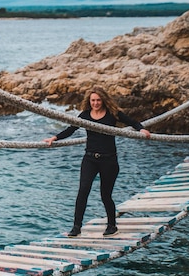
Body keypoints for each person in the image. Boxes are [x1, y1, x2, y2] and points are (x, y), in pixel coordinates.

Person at [43, 86, 150, 238]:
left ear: (103, 100)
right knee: (83, 190)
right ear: (89, 101)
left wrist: (141, 129)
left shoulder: (112, 113)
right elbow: (71, 129)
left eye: (98, 100)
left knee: (105, 195)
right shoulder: (85, 115)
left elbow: (131, 121)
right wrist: (55, 138)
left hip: (109, 160)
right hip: (90, 159)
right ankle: (76, 227)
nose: (96, 103)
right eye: (93, 100)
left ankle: (112, 226)